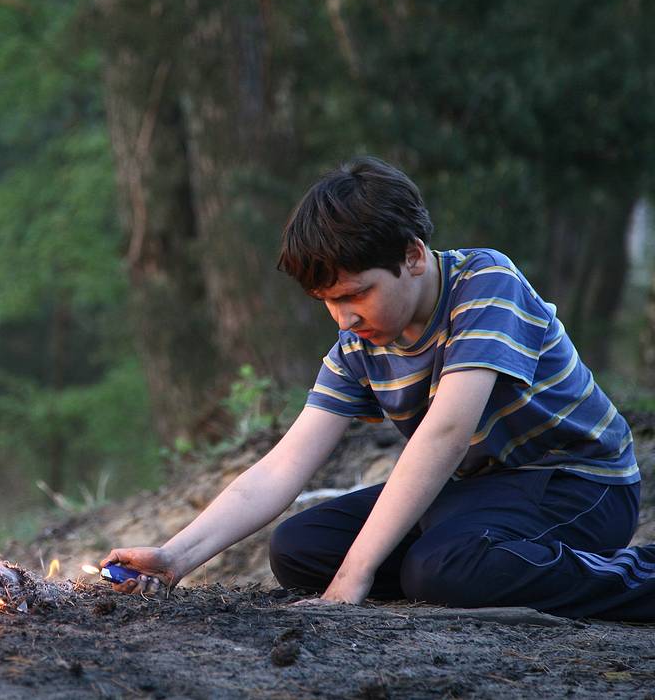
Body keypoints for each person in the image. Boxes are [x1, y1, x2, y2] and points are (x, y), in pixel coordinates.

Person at [102, 156, 655, 620]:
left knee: (445, 568)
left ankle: (639, 575)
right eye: (329, 303)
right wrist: (175, 557)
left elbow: (444, 434)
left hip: (581, 485)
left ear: (412, 256)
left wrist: (352, 578)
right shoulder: (359, 346)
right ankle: (462, 566)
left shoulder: (487, 285)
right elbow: (282, 468)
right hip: (480, 493)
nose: (344, 318)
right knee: (299, 548)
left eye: (356, 294)